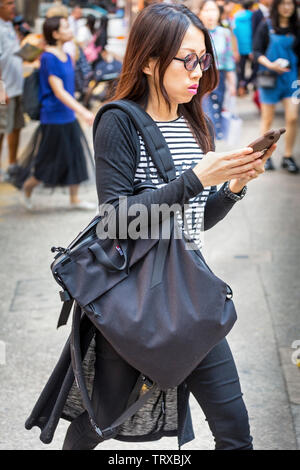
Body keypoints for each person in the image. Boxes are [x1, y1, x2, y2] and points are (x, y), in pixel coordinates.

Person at [58, 3, 277, 450]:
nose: (199, 71)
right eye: (188, 59)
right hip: (137, 300)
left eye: (204, 59)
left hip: (188, 295)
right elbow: (117, 220)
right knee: (104, 419)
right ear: (150, 60)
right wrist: (197, 179)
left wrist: (232, 186)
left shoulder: (192, 120)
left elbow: (192, 222)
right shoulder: (119, 121)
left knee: (235, 430)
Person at [22, 15, 96, 211]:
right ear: (55, 34)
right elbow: (59, 91)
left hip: (68, 116)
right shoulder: (48, 57)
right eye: (65, 27)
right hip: (53, 118)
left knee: (75, 157)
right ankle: (28, 188)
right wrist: (83, 111)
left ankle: (75, 199)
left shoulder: (68, 56)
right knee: (47, 162)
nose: (70, 30)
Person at [253, 0, 300, 172]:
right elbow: (256, 51)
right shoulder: (266, 25)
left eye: (290, 4)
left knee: (293, 118)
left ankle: (288, 156)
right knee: (267, 119)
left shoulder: (297, 27)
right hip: (269, 78)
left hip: (292, 80)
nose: (287, 7)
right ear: (277, 6)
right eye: (283, 3)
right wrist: (271, 65)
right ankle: (264, 155)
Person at [198, 0, 237, 140]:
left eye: (213, 10)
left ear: (219, 13)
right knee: (204, 113)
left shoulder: (224, 33)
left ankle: (212, 144)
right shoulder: (196, 33)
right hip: (200, 76)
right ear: (200, 13)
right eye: (207, 10)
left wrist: (232, 84)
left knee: (217, 111)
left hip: (219, 78)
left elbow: (228, 60)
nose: (210, 14)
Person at [0, 0, 24, 182]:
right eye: (9, 3)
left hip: (17, 87)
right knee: (1, 129)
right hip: (4, 89)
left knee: (15, 127)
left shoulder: (9, 26)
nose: (13, 7)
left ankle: (12, 165)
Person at [251, 0, 274, 110]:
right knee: (259, 75)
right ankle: (259, 100)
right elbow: (254, 31)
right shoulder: (256, 13)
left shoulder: (272, 12)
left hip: (270, 50)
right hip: (260, 49)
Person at [233, 0, 255, 96]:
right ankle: (249, 84)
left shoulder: (236, 17)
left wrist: (235, 50)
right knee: (254, 69)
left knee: (241, 71)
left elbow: (235, 33)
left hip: (239, 48)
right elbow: (253, 33)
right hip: (251, 49)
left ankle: (242, 87)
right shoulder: (253, 16)